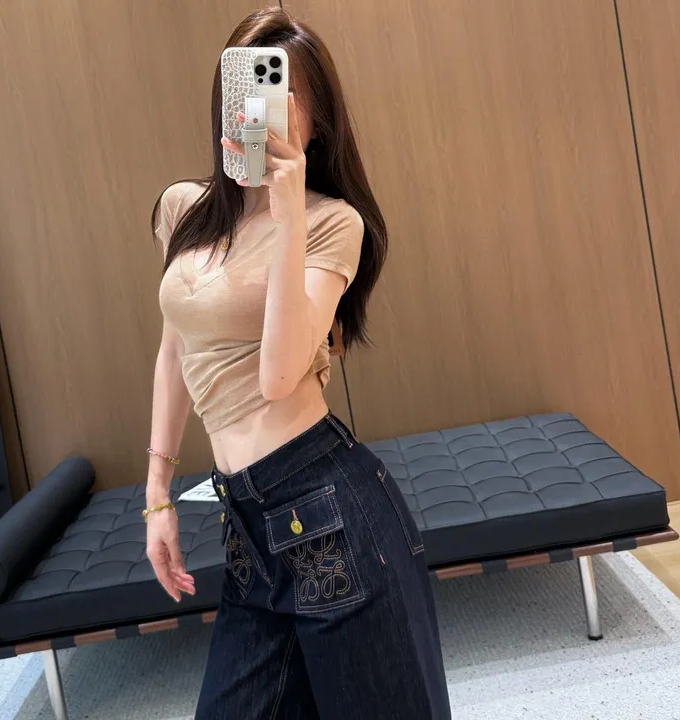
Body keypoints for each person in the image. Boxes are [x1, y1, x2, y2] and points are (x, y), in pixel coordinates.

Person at [145, 8, 451, 719]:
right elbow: (174, 349)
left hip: (331, 510)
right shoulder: (184, 211)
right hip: (248, 529)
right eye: (247, 87)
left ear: (316, 126)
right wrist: (157, 493)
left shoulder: (332, 224)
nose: (261, 109)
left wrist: (286, 218)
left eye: (283, 95)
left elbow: (279, 376)